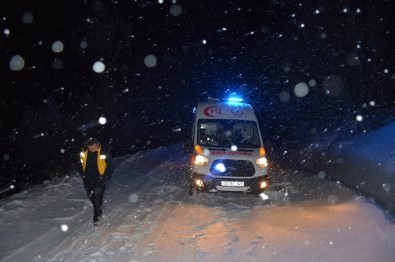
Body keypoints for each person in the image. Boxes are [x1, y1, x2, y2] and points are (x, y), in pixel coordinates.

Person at [79, 137, 113, 225]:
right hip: (87, 178)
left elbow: (110, 166)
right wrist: (82, 174)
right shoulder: (84, 151)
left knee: (97, 196)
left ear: (97, 144)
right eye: (90, 147)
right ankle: (98, 207)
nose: (91, 149)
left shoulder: (104, 151)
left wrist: (104, 177)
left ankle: (97, 215)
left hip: (100, 178)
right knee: (91, 196)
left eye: (93, 147)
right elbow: (79, 163)